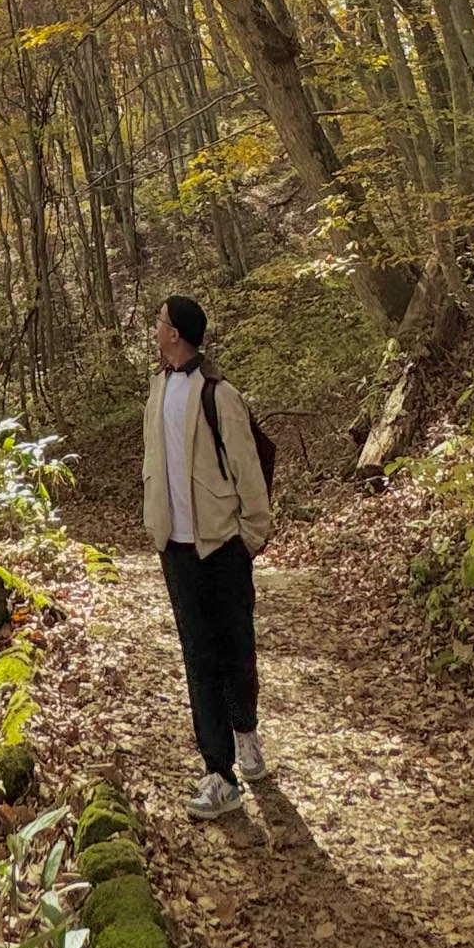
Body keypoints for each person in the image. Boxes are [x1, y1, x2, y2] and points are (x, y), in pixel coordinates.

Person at [141, 292, 272, 818]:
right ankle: (218, 771)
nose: (155, 326)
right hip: (175, 548)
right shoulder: (156, 390)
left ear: (176, 332)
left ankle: (247, 734)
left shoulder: (219, 394)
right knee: (198, 657)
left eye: (160, 319)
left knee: (235, 649)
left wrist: (250, 536)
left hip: (223, 546)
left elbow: (248, 471)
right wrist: (155, 525)